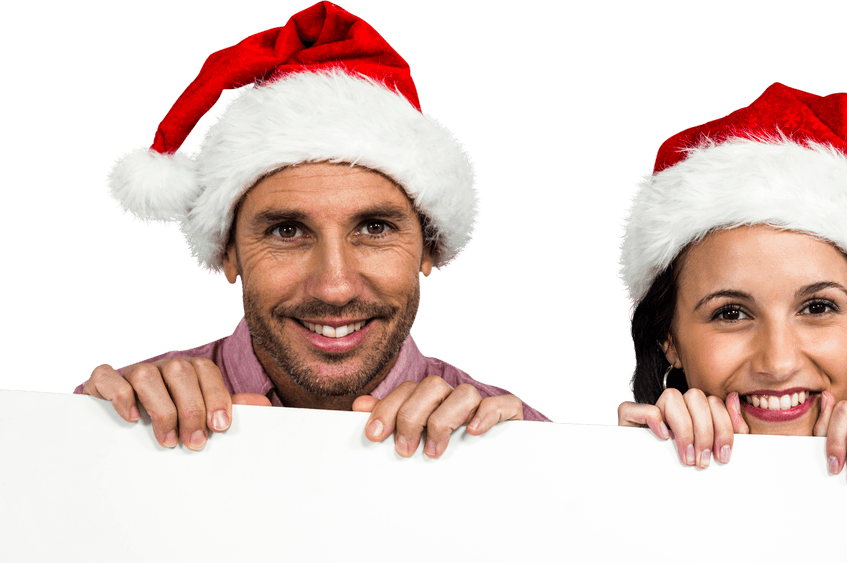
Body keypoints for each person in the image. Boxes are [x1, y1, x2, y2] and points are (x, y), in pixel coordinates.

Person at [76, 1, 547, 458]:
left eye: (375, 227)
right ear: (228, 253)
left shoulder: (523, 442)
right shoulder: (123, 419)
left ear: (430, 246)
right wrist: (77, 436)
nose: (335, 286)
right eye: (286, 231)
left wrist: (530, 475)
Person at [616, 83, 847, 480]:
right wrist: (612, 473)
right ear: (668, 338)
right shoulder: (595, 488)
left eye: (817, 307)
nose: (777, 364)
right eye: (730, 313)